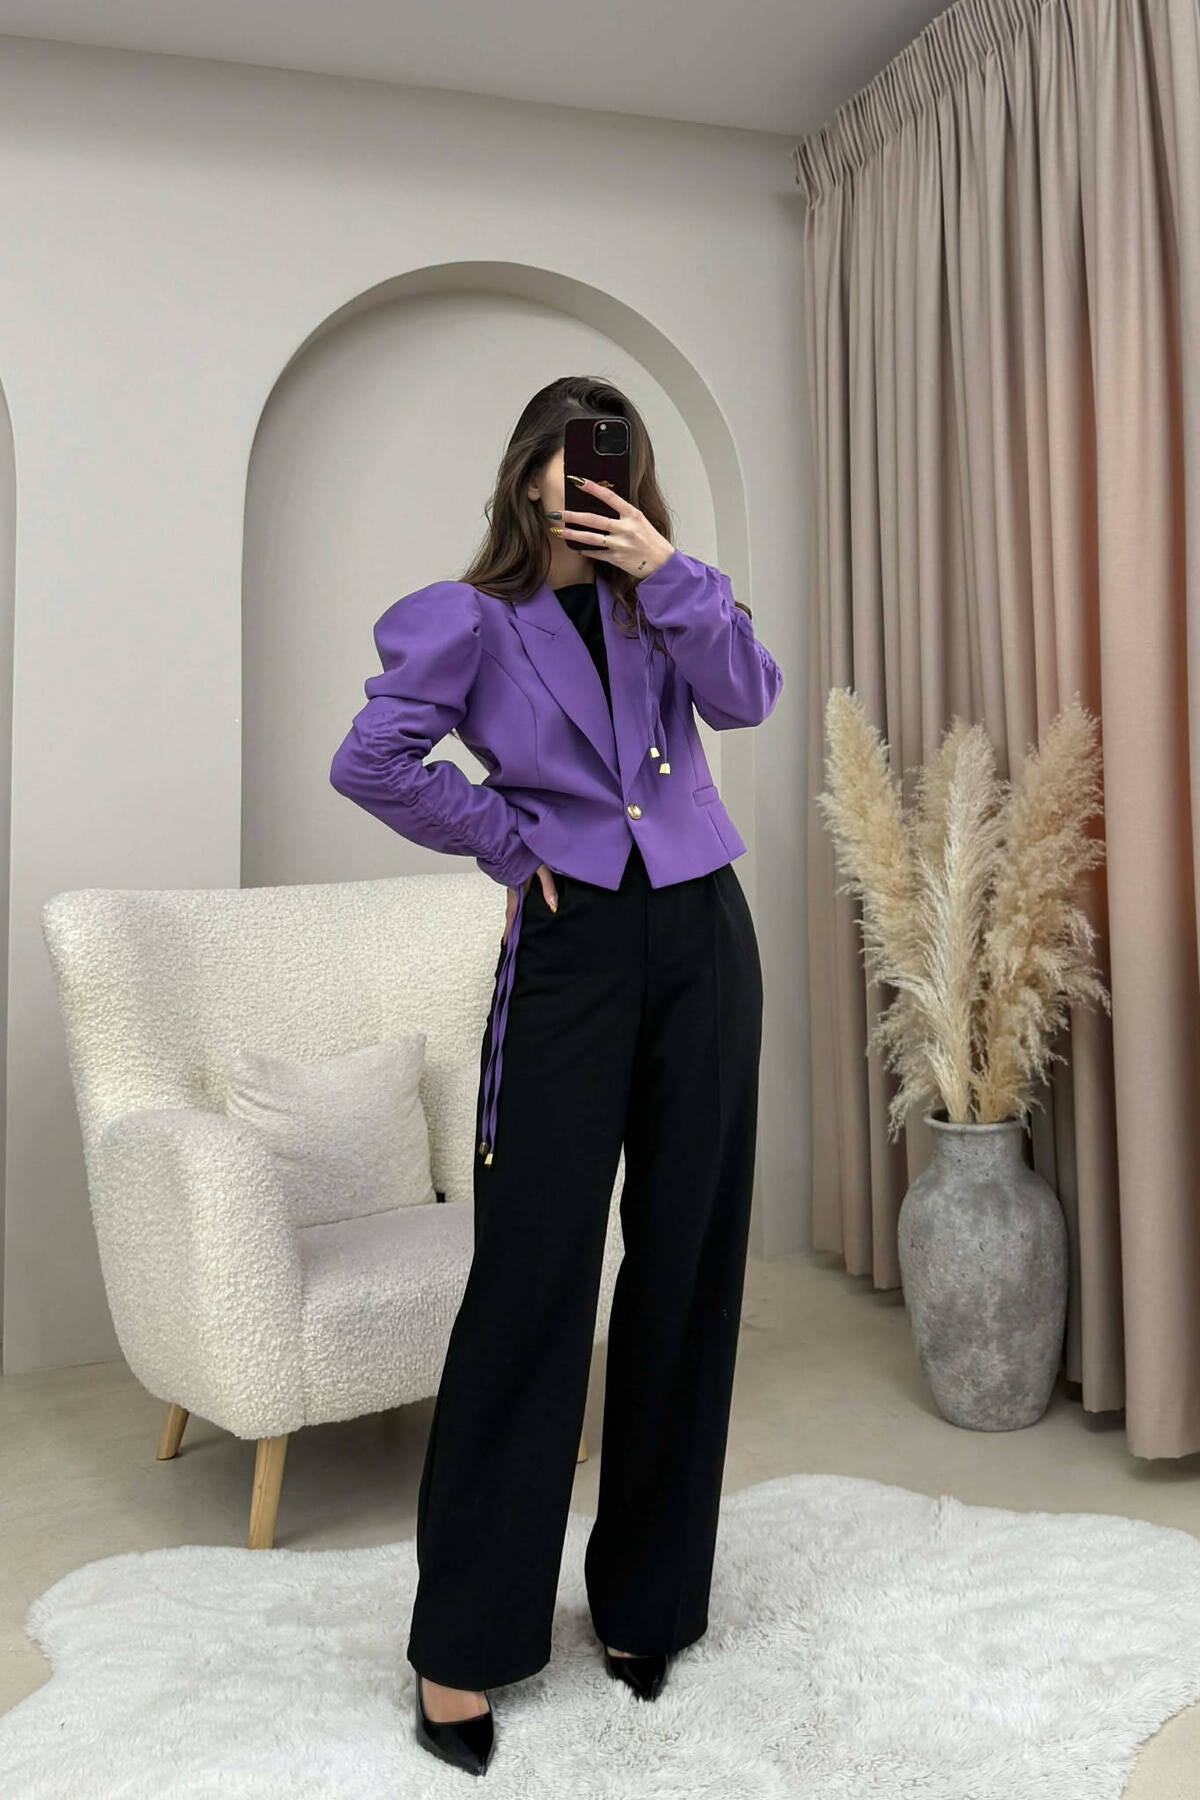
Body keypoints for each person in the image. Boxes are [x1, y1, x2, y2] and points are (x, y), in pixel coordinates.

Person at [329, 375, 784, 1776]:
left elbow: (750, 698)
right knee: (533, 1279)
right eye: (580, 456)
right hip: (573, 951)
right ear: (532, 473)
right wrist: (505, 838)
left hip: (705, 940)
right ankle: (462, 1645)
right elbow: (372, 758)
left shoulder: (675, 600)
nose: (602, 476)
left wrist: (671, 571)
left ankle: (649, 1605)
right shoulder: (472, 620)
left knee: (686, 1269)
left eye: (623, 456)